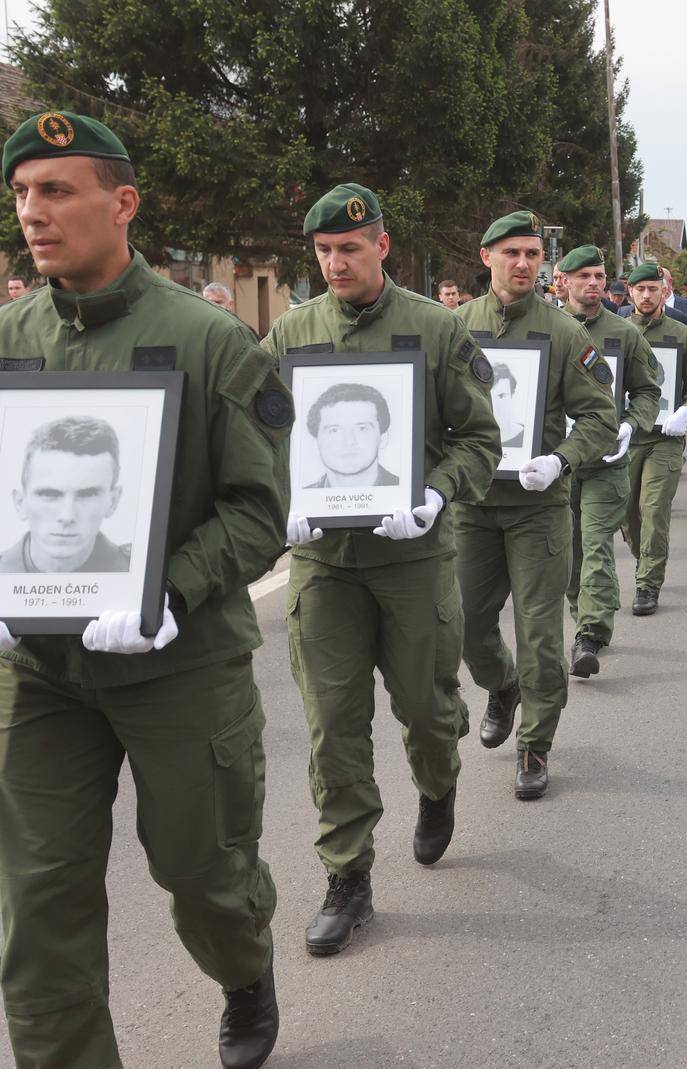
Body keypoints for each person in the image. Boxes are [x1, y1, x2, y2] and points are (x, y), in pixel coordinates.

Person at [0, 109, 290, 1069]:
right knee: (37, 905)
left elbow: (258, 510)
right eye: (21, 194)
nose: (31, 213)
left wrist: (168, 588)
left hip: (178, 665)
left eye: (55, 191)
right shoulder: (9, 339)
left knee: (204, 876)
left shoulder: (209, 342)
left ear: (122, 203)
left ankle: (245, 968)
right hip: (38, 672)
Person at [264, 182, 500, 954]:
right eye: (324, 251)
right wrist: (279, 498)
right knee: (334, 724)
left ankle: (439, 784)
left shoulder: (435, 329)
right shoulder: (289, 336)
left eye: (349, 249)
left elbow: (479, 439)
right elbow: (251, 435)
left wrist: (436, 491)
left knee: (428, 712)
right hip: (324, 563)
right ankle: (349, 875)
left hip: (411, 557)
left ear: (382, 246)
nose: (336, 263)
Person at [456, 211, 617, 802]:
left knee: (540, 631)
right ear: (486, 256)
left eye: (532, 254)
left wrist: (562, 460)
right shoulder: (454, 327)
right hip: (471, 504)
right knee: (469, 627)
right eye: (511, 253)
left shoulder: (565, 332)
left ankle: (536, 742)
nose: (524, 263)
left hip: (537, 505)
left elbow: (602, 416)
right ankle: (501, 686)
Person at [557, 245, 660, 675]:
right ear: (563, 280)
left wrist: (631, 426)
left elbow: (648, 391)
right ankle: (582, 610)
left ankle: (591, 634)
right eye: (584, 276)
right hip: (557, 465)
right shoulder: (548, 329)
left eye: (600, 276)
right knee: (568, 553)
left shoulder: (624, 333)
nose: (594, 284)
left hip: (605, 462)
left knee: (596, 542)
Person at [623, 262, 687, 614]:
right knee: (628, 514)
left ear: (664, 291)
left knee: (654, 508)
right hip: (626, 438)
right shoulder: (618, 331)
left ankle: (647, 582)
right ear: (630, 292)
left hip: (665, 437)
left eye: (653, 289)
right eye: (640, 289)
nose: (646, 295)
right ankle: (645, 555)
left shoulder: (682, 334)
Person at [1, 415, 134, 573]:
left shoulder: (145, 571)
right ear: (20, 503)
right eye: (49, 494)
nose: (67, 516)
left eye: (87, 495)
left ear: (113, 501)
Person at [302, 383, 400, 487]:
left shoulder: (409, 490)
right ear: (315, 443)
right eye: (334, 430)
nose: (349, 441)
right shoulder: (297, 500)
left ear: (383, 438)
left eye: (362, 428)